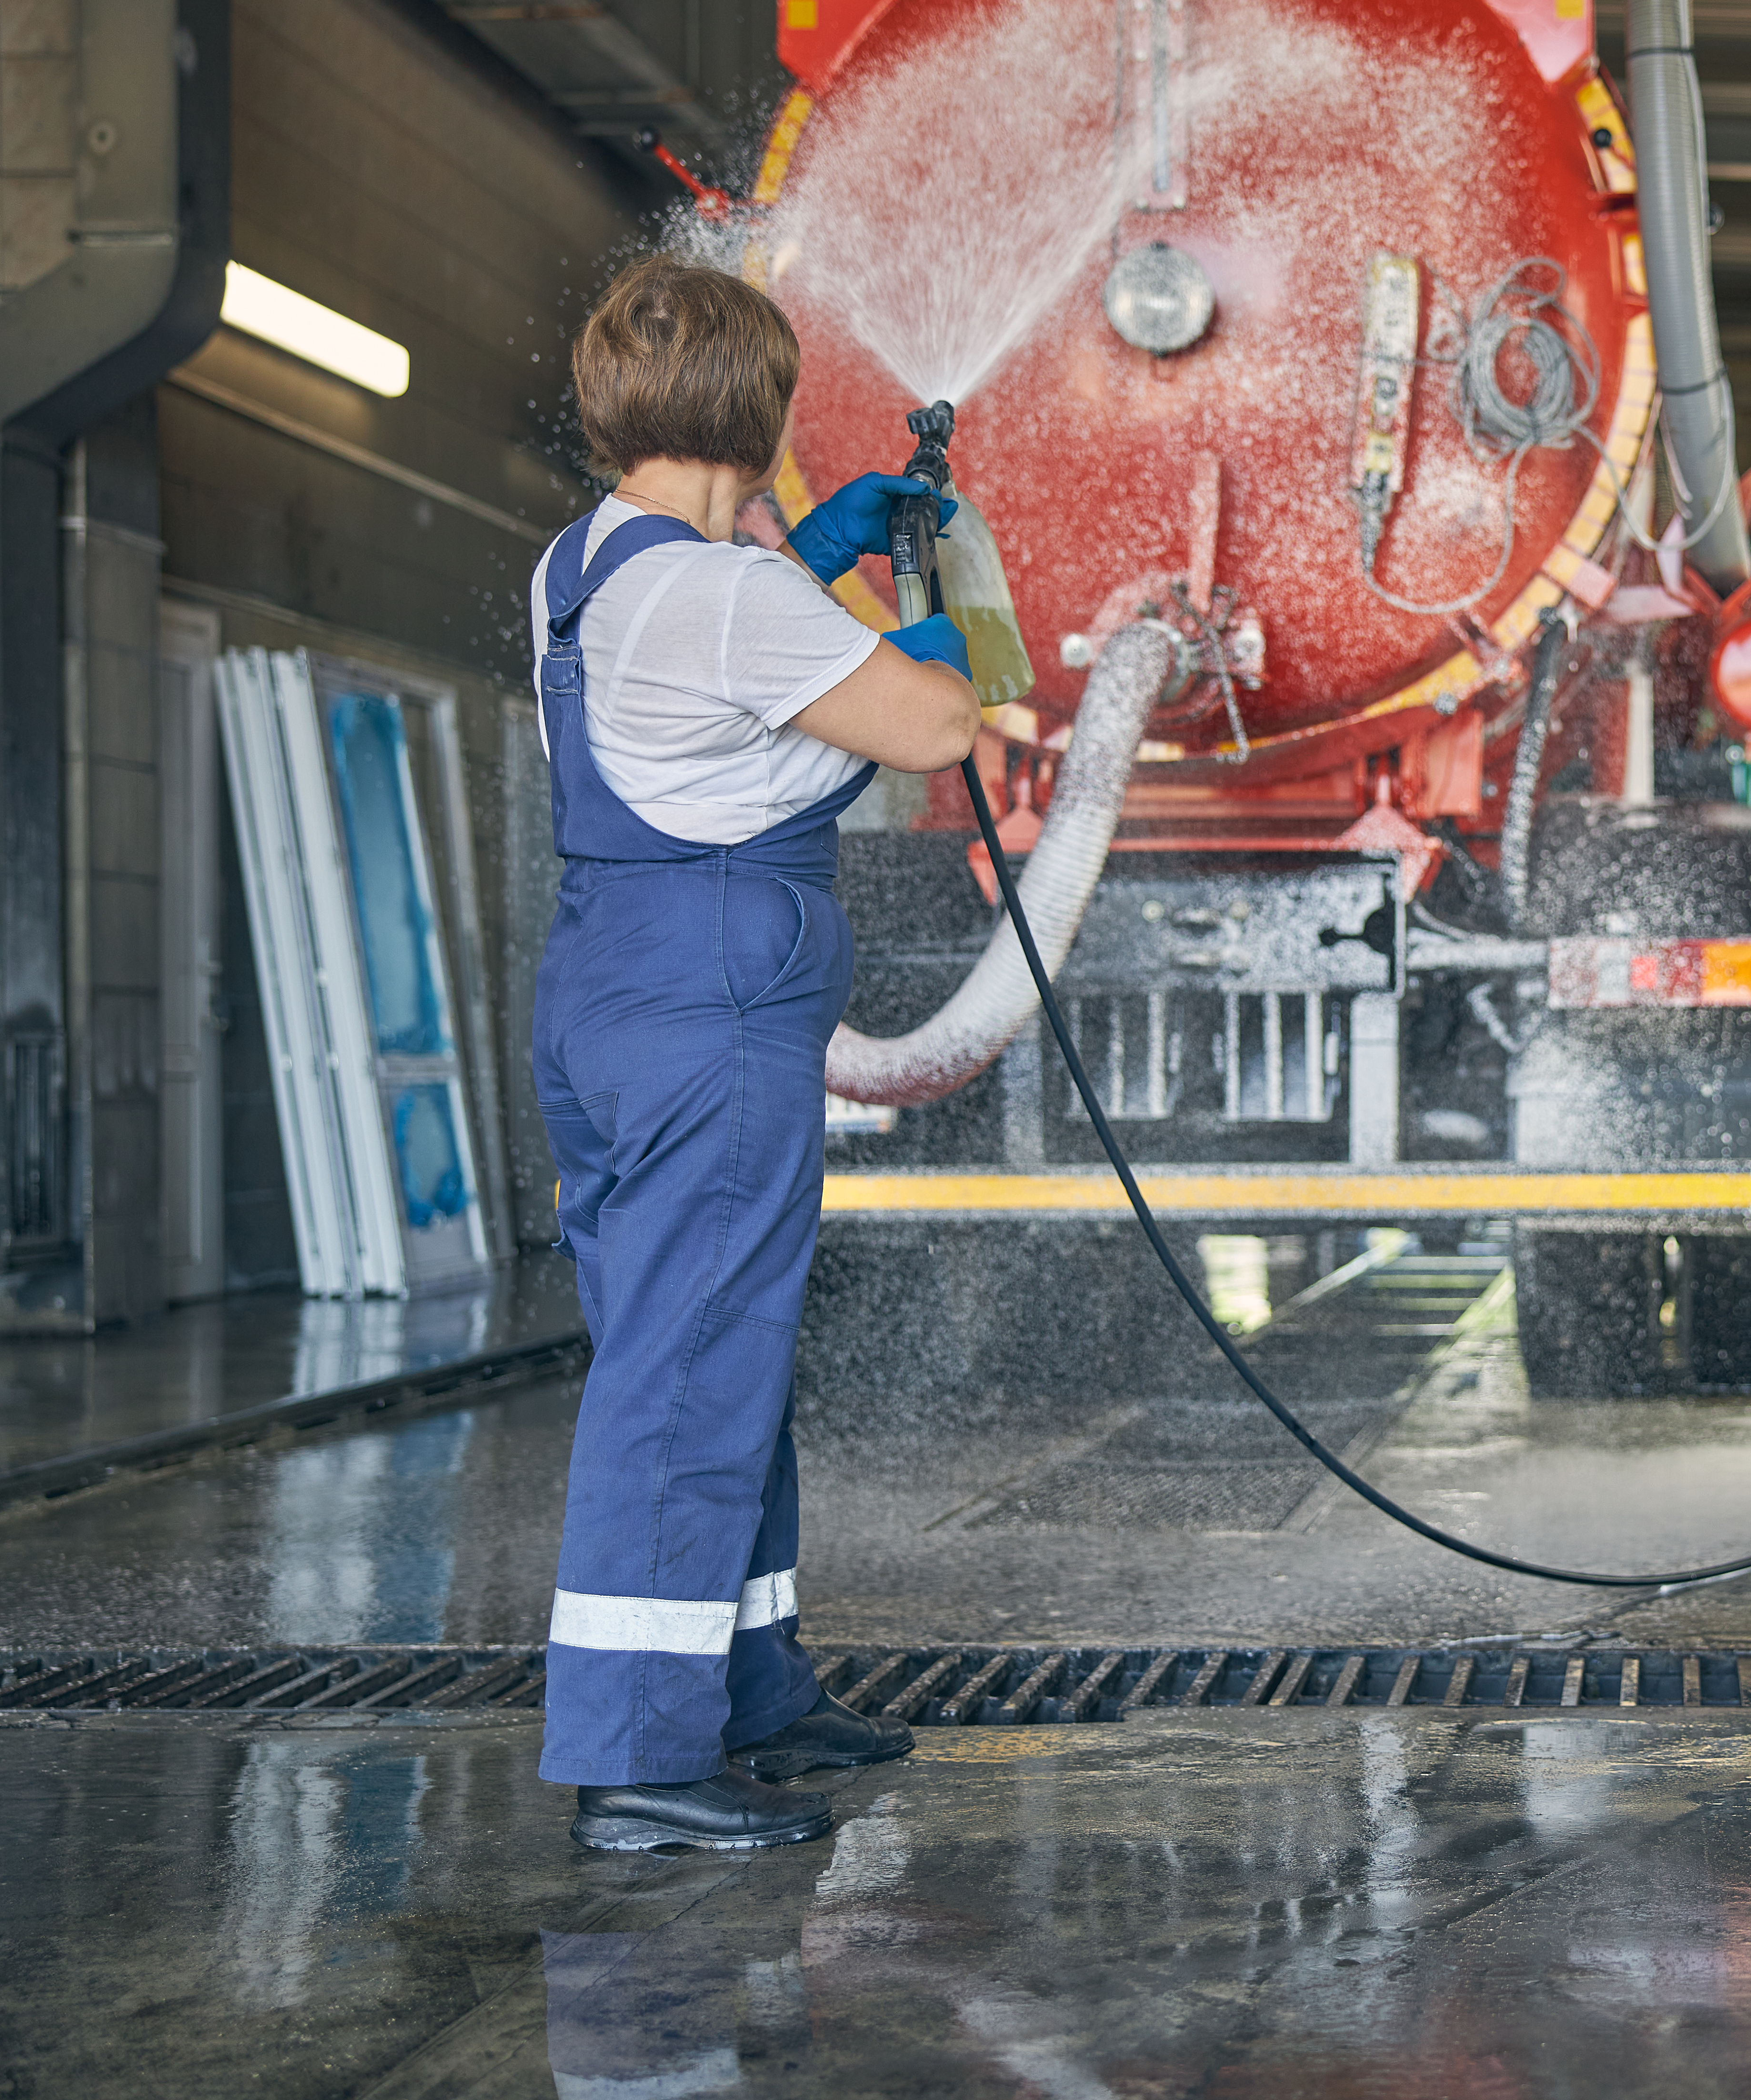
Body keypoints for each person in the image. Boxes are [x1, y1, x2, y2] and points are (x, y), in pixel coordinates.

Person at [528, 256, 983, 1852]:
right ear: (761, 411)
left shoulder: (587, 565)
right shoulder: (731, 599)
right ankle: (638, 1755)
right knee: (684, 1365)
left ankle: (749, 1683)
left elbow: (733, 654)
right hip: (707, 1011)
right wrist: (936, 602)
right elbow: (936, 725)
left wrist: (818, 548)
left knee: (716, 1344)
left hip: (613, 986)